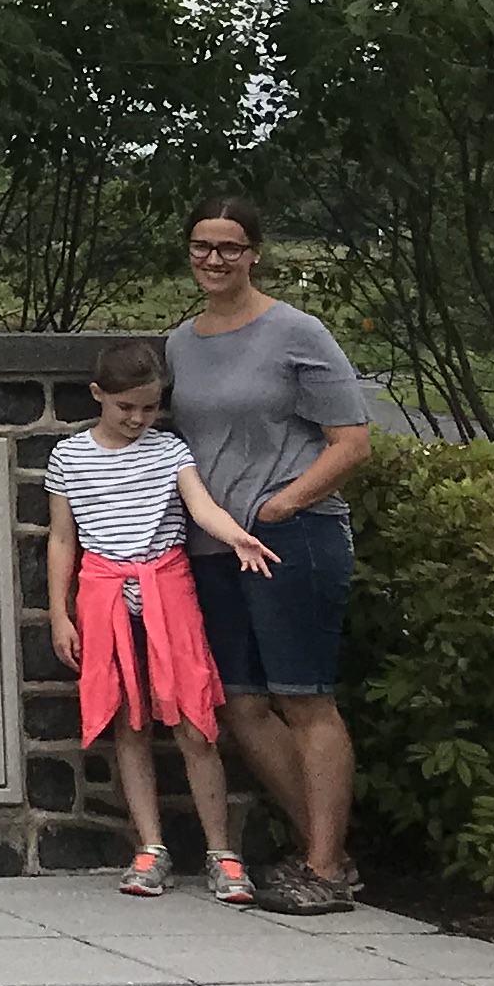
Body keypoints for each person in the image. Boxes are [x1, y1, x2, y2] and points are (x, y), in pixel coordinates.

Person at [165, 196, 377, 915]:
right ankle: (330, 853)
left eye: (230, 247)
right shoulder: (180, 343)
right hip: (214, 546)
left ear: (255, 252)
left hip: (293, 538)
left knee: (303, 697)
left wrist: (283, 505)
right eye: (203, 245)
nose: (214, 259)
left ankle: (322, 868)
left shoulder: (297, 332)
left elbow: (351, 441)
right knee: (242, 704)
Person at [47, 341, 277, 903]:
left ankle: (222, 852)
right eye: (125, 407)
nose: (137, 418)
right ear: (98, 394)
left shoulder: (170, 450)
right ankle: (151, 848)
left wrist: (237, 537)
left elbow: (200, 506)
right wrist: (59, 613)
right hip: (104, 597)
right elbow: (62, 539)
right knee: (130, 724)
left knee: (195, 721)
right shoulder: (68, 457)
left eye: (149, 408)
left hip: (167, 591)